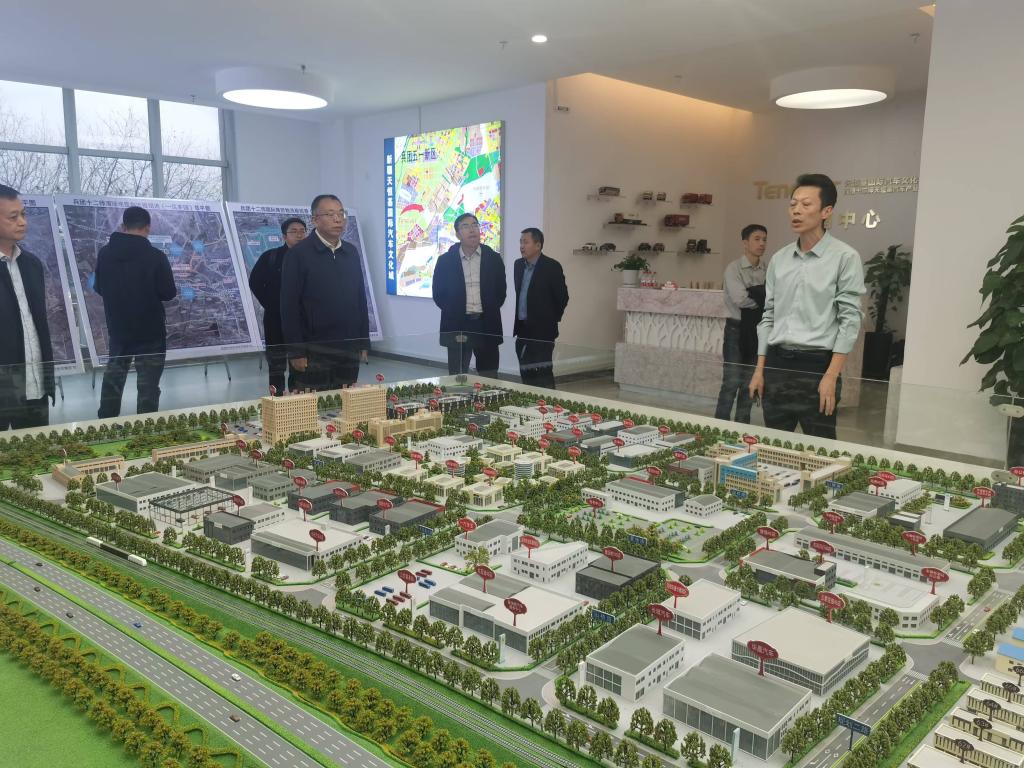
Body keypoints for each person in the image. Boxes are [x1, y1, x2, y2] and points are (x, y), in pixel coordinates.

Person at [748, 174, 865, 439]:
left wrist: (831, 376)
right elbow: (769, 316)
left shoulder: (845, 257)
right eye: (793, 204)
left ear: (826, 211)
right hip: (777, 365)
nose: (796, 210)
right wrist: (760, 370)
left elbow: (849, 321)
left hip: (817, 367)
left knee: (819, 450)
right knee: (775, 447)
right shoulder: (779, 259)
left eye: (806, 204)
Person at [280, 195, 369, 391]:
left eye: (340, 214)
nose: (338, 219)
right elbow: (289, 306)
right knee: (310, 404)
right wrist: (296, 352)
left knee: (345, 401)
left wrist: (363, 342)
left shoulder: (351, 252)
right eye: (330, 214)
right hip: (313, 350)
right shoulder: (298, 254)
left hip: (348, 349)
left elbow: (360, 299)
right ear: (315, 220)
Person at [95, 205, 177, 418]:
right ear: (147, 228)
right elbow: (168, 292)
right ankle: (146, 428)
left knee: (113, 379)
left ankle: (105, 425)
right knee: (148, 386)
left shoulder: (105, 254)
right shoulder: (156, 257)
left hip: (118, 329)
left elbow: (99, 287)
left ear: (123, 226)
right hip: (151, 332)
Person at [0, 184, 54, 429]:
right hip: (4, 387)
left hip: (35, 383)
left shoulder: (32, 264)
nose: (22, 222)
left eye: (23, 214)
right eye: (13, 217)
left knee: (37, 448)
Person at [432, 213, 506, 379]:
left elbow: (500, 292)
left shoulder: (493, 259)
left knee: (489, 376)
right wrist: (455, 311)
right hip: (458, 324)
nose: (472, 230)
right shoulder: (445, 261)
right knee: (457, 376)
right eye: (465, 226)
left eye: (475, 225)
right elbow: (439, 294)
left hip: (486, 324)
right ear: (458, 234)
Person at [714, 224, 767, 423]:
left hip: (758, 331)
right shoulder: (734, 268)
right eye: (757, 239)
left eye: (764, 239)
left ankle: (743, 428)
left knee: (749, 383)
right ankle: (720, 425)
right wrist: (761, 298)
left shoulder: (767, 269)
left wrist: (758, 295)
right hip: (736, 330)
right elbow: (740, 299)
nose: (761, 243)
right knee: (731, 382)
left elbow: (774, 297)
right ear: (745, 243)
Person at [249, 217, 307, 395]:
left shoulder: (311, 258)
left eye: (302, 231)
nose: (299, 235)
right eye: (294, 231)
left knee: (301, 363)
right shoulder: (271, 257)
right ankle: (277, 399)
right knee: (276, 364)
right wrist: (272, 304)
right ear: (284, 236)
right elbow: (255, 282)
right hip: (276, 320)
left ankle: (298, 398)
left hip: (302, 320)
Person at [513, 227, 569, 388]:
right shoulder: (518, 265)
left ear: (538, 245)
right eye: (520, 242)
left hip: (543, 331)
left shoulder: (551, 266)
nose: (521, 246)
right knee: (526, 371)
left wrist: (550, 319)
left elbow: (562, 297)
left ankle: (548, 402)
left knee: (543, 373)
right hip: (523, 329)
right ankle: (529, 401)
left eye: (526, 242)